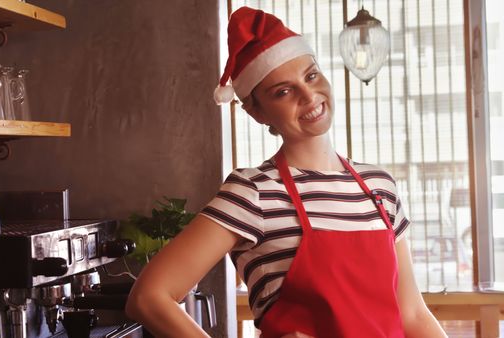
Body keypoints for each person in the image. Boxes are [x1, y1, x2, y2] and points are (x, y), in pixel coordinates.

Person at [125, 6, 447, 338]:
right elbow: (150, 297)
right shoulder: (254, 192)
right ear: (257, 112)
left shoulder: (380, 187)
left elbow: (412, 315)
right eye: (283, 91)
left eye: (311, 75)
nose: (309, 96)